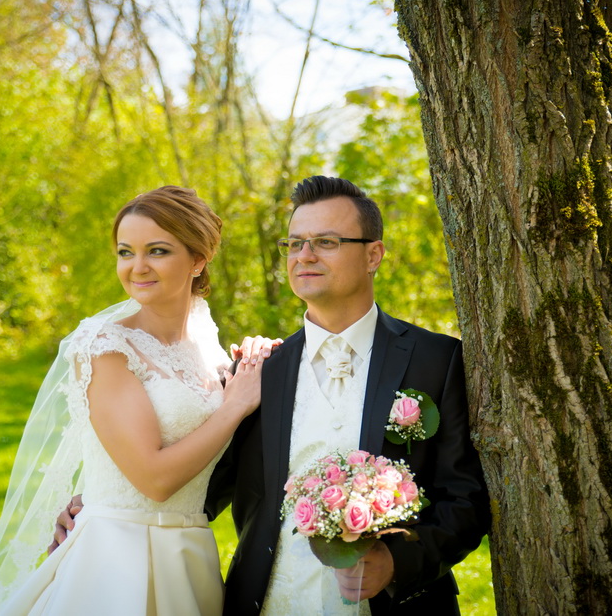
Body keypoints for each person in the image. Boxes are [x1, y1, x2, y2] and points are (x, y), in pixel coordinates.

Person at [55, 176, 491, 614]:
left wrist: (396, 563)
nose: (305, 255)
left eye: (326, 241)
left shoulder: (437, 359)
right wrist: (95, 506)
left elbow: (465, 498)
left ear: (373, 254)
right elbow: (205, 479)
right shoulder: (260, 371)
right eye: (295, 243)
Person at [0, 186, 274, 615]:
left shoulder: (210, 347)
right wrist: (234, 406)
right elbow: (152, 478)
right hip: (116, 557)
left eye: (157, 251)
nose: (137, 267)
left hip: (190, 554)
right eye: (125, 252)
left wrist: (257, 359)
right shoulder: (104, 346)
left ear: (199, 259)